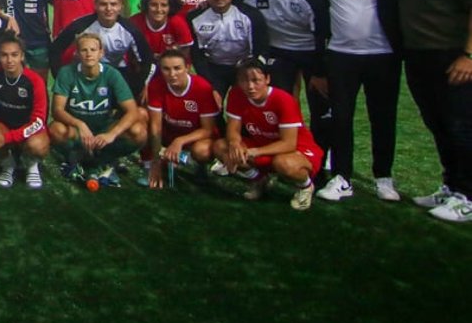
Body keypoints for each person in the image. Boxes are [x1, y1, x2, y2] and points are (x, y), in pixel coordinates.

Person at [307, 0, 402, 204]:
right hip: (341, 56)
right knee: (340, 118)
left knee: (382, 117)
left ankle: (383, 176)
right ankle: (342, 177)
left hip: (382, 55)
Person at [396, 0, 472, 222]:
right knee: (438, 125)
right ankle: (450, 186)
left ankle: (467, 196)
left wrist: (468, 55)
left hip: (451, 56)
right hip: (418, 57)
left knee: (461, 127)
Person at [241, 0, 331, 167]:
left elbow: (323, 35)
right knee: (279, 104)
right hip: (279, 53)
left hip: (311, 52)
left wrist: (320, 72)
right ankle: (281, 149)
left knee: (320, 106)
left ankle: (321, 155)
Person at [214, 58, 322, 211]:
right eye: (244, 81)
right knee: (221, 147)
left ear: (267, 79)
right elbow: (233, 129)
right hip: (262, 144)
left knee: (283, 163)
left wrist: (255, 152)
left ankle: (306, 186)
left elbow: (289, 143)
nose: (250, 86)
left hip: (297, 148)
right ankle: (259, 180)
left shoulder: (283, 99)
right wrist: (234, 143)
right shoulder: (236, 94)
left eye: (256, 80)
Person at [48, 33, 147, 186]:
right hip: (78, 131)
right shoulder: (66, 73)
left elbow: (132, 110)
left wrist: (111, 134)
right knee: (56, 129)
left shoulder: (112, 74)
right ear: (77, 53)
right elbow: (57, 111)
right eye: (84, 50)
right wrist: (80, 124)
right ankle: (76, 158)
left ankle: (105, 159)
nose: (89, 54)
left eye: (93, 50)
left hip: (104, 128)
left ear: (101, 53)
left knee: (138, 131)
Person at [49, 0, 155, 95]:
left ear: (120, 6)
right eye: (103, 4)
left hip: (118, 73)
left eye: (113, 4)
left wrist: (137, 87)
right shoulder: (80, 26)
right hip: (86, 73)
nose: (108, 9)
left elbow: (146, 58)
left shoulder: (131, 30)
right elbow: (55, 50)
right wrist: (60, 78)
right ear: (95, 5)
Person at [0, 34, 49, 189]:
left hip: (28, 128)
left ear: (22, 56)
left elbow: (39, 121)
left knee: (37, 145)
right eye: (4, 55)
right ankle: (8, 166)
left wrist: (8, 138)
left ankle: (32, 166)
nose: (9, 60)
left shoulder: (35, 81)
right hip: (3, 126)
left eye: (14, 55)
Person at [186, 0, 270, 98]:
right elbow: (196, 54)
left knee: (249, 102)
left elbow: (261, 46)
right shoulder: (194, 18)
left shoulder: (251, 15)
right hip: (213, 68)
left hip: (244, 66)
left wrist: (254, 71)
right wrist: (209, 82)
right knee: (211, 101)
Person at [145, 48, 220, 189]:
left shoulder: (202, 87)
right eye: (166, 69)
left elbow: (208, 129)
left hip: (194, 137)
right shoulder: (156, 85)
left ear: (188, 67)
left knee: (202, 151)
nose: (172, 74)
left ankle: (196, 164)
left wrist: (180, 141)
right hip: (169, 133)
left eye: (177, 68)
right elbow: (155, 126)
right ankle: (153, 160)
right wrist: (156, 161)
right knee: (143, 122)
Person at [128, 0, 193, 59]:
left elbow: (185, 49)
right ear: (146, 5)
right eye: (153, 5)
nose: (159, 9)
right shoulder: (134, 22)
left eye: (164, 5)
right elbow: (129, 52)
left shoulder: (178, 22)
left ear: (170, 7)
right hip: (142, 62)